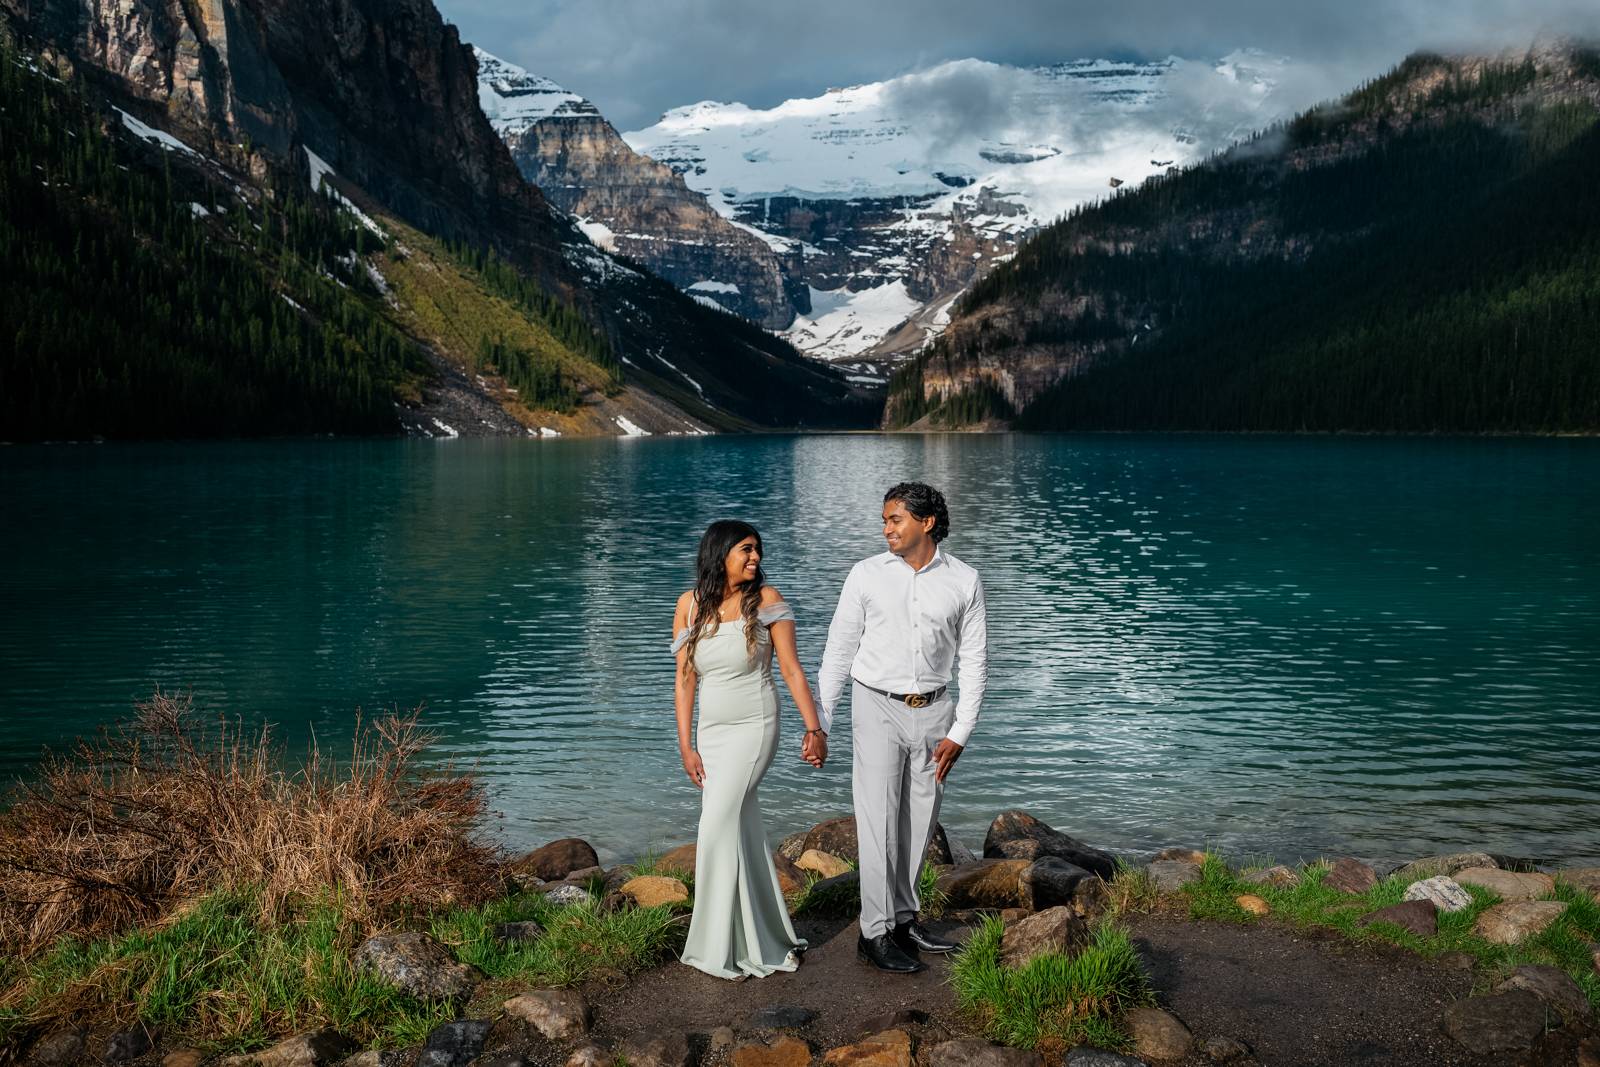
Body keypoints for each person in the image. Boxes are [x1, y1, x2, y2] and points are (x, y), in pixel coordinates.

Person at [816, 482, 988, 974]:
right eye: (886, 520)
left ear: (926, 522)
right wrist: (820, 723)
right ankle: (873, 933)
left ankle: (904, 919)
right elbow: (838, 652)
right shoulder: (865, 574)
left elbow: (975, 662)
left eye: (895, 519)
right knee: (877, 822)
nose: (886, 527)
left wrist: (961, 730)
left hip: (936, 712)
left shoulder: (965, 580)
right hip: (877, 707)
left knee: (920, 821)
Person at [672, 519, 828, 979]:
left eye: (757, 548)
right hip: (712, 732)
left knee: (716, 822)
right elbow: (685, 682)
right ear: (720, 553)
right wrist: (686, 745)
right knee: (739, 825)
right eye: (745, 549)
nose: (755, 557)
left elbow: (793, 670)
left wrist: (814, 728)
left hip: (755, 724)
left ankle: (712, 944)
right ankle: (763, 936)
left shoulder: (768, 602)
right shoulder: (688, 606)